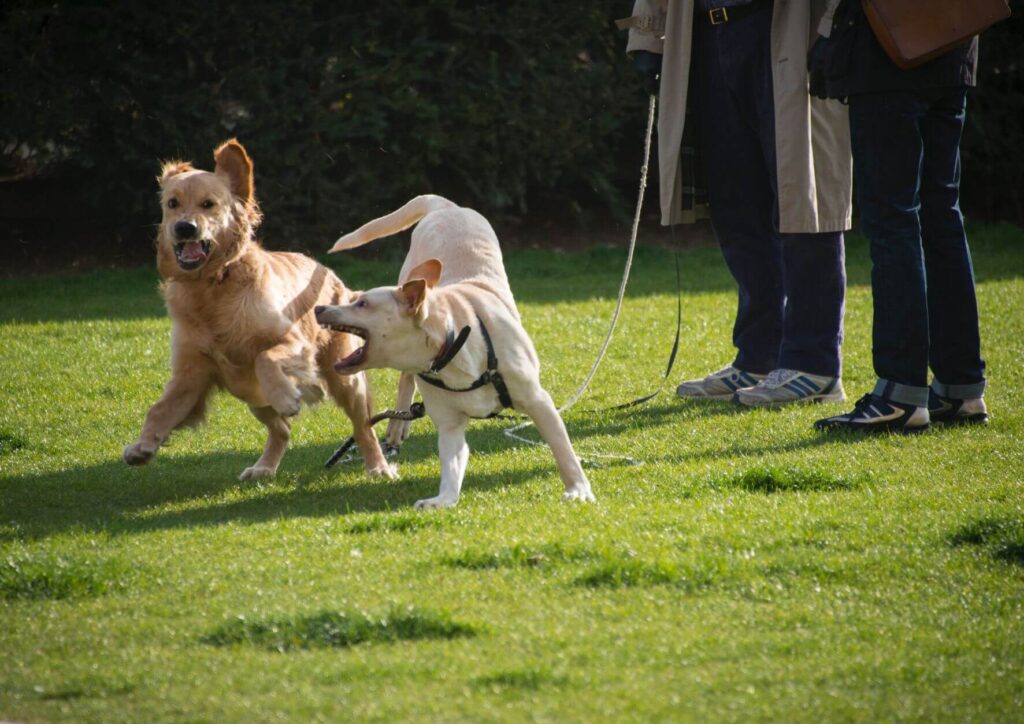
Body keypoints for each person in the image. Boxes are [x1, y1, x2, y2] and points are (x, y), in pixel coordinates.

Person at [620, 0, 853, 407]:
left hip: (785, 31)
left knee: (803, 196)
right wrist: (646, 36)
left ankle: (814, 365)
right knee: (734, 202)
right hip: (706, 37)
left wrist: (834, 30)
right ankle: (759, 356)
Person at [811, 0, 988, 433]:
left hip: (888, 55)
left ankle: (900, 392)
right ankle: (961, 385)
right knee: (941, 214)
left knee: (894, 220)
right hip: (953, 40)